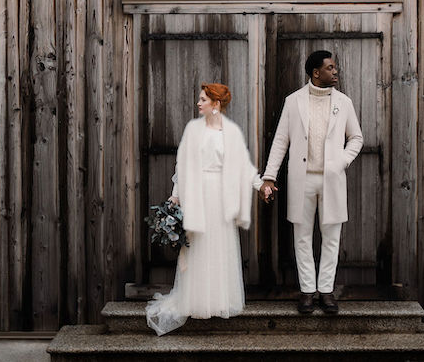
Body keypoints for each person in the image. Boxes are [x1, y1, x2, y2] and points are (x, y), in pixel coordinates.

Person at [146, 83, 263, 335]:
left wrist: (260, 185)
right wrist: (175, 196)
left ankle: (219, 300)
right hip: (197, 194)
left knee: (218, 246)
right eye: (199, 99)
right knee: (198, 246)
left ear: (216, 104)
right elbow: (182, 163)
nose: (198, 103)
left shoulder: (230, 133)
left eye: (203, 100)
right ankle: (195, 300)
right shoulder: (193, 130)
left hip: (220, 197)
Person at [259, 50, 363, 314]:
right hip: (301, 180)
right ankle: (307, 291)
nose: (336, 71)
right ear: (316, 73)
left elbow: (356, 138)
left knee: (331, 237)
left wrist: (341, 161)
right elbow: (281, 140)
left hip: (332, 179)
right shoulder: (293, 102)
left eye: (335, 67)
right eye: (330, 67)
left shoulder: (344, 102)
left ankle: (326, 291)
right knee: (302, 237)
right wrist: (269, 177)